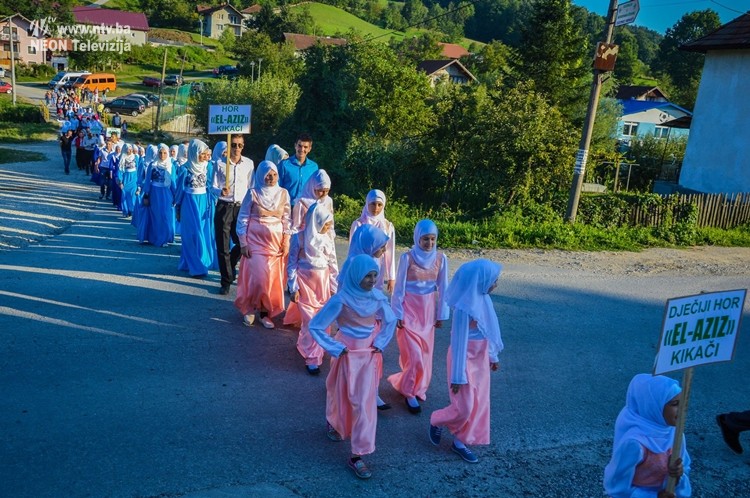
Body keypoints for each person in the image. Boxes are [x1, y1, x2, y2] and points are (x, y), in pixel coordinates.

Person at [308, 254, 396, 479]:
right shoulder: (341, 300)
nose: (372, 280)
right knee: (339, 393)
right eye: (368, 276)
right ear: (356, 275)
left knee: (364, 403)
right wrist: (335, 347)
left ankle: (358, 455)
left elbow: (391, 320)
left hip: (366, 357)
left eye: (375, 275)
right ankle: (334, 421)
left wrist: (380, 343)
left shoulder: (377, 298)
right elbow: (316, 325)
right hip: (347, 355)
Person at [428, 259, 503, 464]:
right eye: (493, 281)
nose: (495, 285)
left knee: (479, 403)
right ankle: (437, 419)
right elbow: (458, 342)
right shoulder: (464, 307)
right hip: (463, 360)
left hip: (480, 358)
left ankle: (460, 442)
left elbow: (489, 331)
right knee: (464, 406)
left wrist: (493, 356)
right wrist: (457, 376)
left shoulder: (484, 299)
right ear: (479, 281)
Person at [388, 219, 449, 414]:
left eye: (433, 239)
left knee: (425, 355)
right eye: (425, 239)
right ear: (417, 238)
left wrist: (441, 314)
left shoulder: (441, 259)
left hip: (427, 313)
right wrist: (397, 313)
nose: (429, 243)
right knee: (414, 355)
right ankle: (409, 391)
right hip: (410, 311)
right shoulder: (407, 258)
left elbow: (444, 288)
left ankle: (418, 387)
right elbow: (399, 288)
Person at [604, 374, 691, 498]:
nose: (682, 409)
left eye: (683, 403)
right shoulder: (635, 443)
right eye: (675, 404)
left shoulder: (675, 434)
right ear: (653, 406)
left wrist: (678, 475)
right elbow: (616, 487)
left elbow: (685, 467)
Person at [234, 160, 291, 329]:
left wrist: (286, 241)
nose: (271, 178)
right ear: (260, 175)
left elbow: (287, 219)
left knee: (271, 279)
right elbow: (243, 217)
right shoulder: (252, 193)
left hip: (275, 244)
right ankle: (250, 308)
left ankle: (265, 313)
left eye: (274, 174)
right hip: (255, 242)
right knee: (257, 277)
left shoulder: (283, 193)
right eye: (267, 174)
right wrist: (243, 243)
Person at [284, 203, 339, 375]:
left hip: (322, 285)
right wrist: (293, 287)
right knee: (310, 320)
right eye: (326, 224)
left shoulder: (328, 239)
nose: (328, 227)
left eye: (329, 224)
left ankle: (315, 346)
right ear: (316, 221)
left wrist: (334, 286)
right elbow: (292, 264)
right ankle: (312, 357)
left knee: (323, 318)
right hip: (305, 284)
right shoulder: (299, 238)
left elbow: (333, 264)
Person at [211, 134, 254, 295]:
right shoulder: (220, 164)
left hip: (241, 207)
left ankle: (231, 264)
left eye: (239, 145)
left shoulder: (249, 164)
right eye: (234, 145)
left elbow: (252, 186)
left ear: (243, 146)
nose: (236, 148)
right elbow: (212, 186)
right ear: (229, 146)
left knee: (243, 242)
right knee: (223, 245)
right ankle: (226, 280)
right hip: (224, 205)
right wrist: (219, 191)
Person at [175, 139, 216, 277]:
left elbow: (210, 186)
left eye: (205, 154)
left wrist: (212, 202)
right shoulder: (185, 168)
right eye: (202, 154)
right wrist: (178, 207)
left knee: (202, 233)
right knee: (191, 234)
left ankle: (198, 262)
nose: (204, 156)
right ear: (195, 153)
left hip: (203, 203)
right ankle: (196, 267)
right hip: (189, 203)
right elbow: (180, 189)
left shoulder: (208, 167)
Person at [349, 189, 396, 294]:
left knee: (375, 295)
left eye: (379, 205)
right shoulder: (358, 224)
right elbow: (352, 251)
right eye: (373, 204)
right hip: (361, 268)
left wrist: (391, 277)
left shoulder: (387, 226)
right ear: (367, 204)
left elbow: (390, 252)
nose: (376, 208)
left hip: (378, 268)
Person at [141, 144, 176, 247]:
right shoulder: (153, 165)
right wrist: (146, 195)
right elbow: (148, 180)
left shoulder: (171, 166)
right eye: (160, 153)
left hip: (166, 193)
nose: (162, 155)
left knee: (166, 215)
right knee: (156, 216)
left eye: (165, 153)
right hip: (154, 193)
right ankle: (156, 238)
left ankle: (165, 238)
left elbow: (173, 182)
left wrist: (175, 196)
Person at [277, 133, 318, 207]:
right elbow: (278, 187)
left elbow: (315, 189)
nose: (302, 149)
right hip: (288, 207)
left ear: (309, 149)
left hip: (307, 207)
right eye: (300, 146)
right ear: (295, 146)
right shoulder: (284, 165)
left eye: (305, 147)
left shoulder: (314, 167)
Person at [290, 169, 334, 237]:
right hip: (306, 237)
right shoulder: (301, 203)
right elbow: (296, 226)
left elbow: (330, 222)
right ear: (313, 188)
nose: (324, 194)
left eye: (327, 191)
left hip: (324, 237)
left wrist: (330, 236)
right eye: (321, 191)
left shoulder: (328, 201)